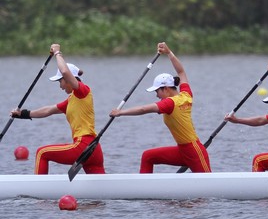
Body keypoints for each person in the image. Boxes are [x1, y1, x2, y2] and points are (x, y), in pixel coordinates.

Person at [110, 42, 211, 173]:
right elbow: (181, 71)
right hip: (182, 150)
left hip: (195, 152)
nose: (156, 95)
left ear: (166, 89)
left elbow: (143, 109)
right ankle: (145, 190)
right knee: (148, 156)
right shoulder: (186, 94)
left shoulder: (169, 103)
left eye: (157, 91)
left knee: (203, 191)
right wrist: (169, 53)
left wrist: (121, 112)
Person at [11, 43, 105, 175]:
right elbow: (48, 110)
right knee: (100, 190)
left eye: (60, 81)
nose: (60, 86)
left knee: (42, 153)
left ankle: (38, 189)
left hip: (83, 146)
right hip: (94, 149)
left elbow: (65, 71)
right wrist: (23, 114)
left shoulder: (83, 91)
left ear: (67, 80)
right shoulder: (72, 100)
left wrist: (57, 53)